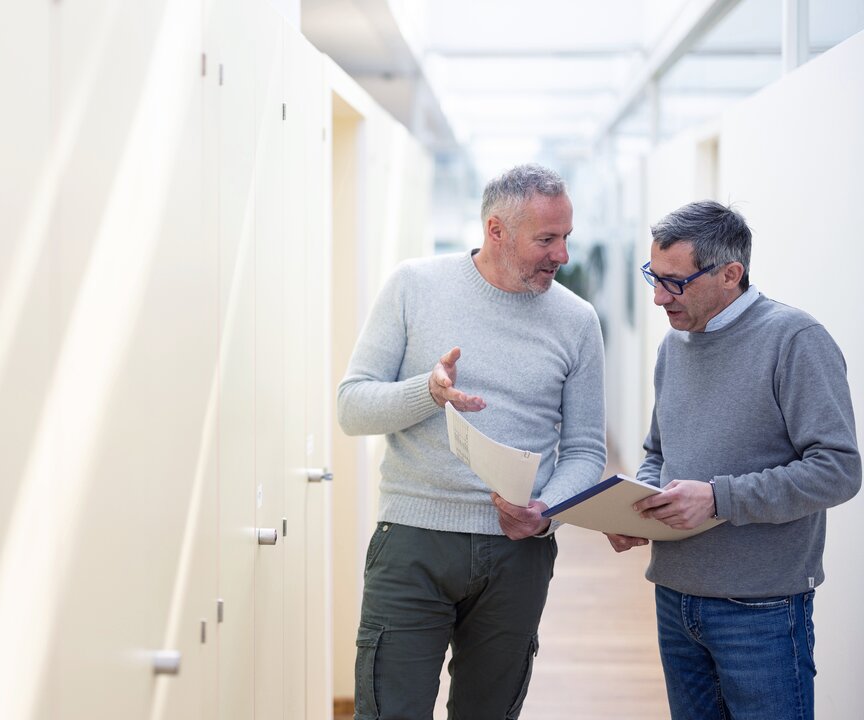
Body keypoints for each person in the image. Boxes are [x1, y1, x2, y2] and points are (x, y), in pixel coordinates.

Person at [337, 164, 606, 719]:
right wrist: (427, 393)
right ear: (496, 230)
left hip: (519, 553)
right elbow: (352, 407)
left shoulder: (578, 321)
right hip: (414, 542)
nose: (562, 255)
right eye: (546, 239)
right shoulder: (414, 286)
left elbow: (585, 450)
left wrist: (546, 511)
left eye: (566, 238)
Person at [608, 200, 861, 720]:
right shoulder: (673, 346)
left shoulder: (794, 340)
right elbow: (659, 451)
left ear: (730, 274)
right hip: (674, 595)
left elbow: (839, 469)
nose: (658, 297)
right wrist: (639, 504)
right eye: (653, 278)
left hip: (762, 608)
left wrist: (719, 498)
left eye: (674, 282)